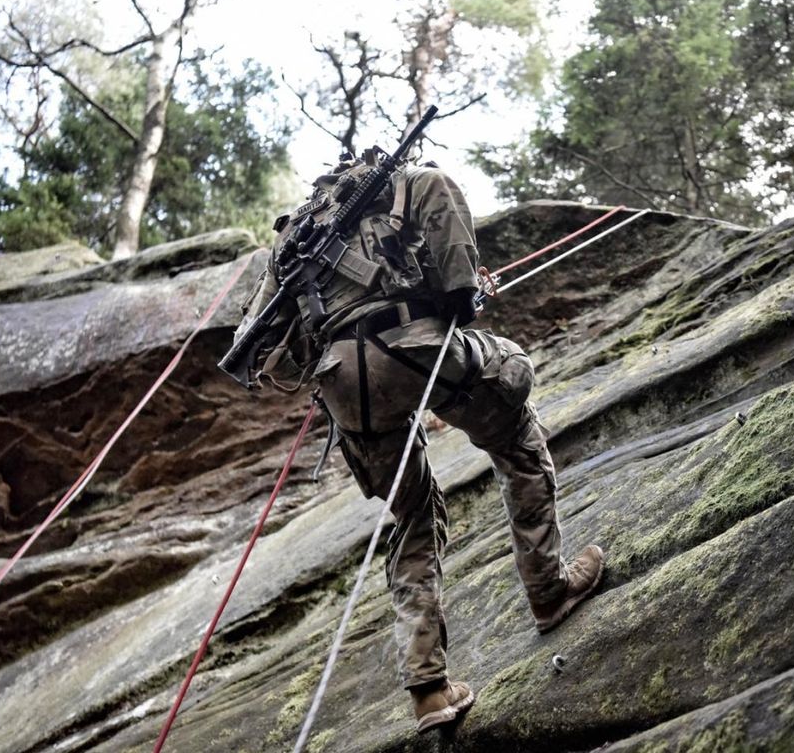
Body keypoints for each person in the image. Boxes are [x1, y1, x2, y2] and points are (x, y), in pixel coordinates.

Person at [235, 151, 605, 734]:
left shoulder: (292, 245)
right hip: (411, 341)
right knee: (514, 433)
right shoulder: (387, 184)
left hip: (341, 381)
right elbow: (438, 190)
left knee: (411, 515)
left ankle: (429, 690)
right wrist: (460, 298)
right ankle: (548, 589)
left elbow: (257, 349)